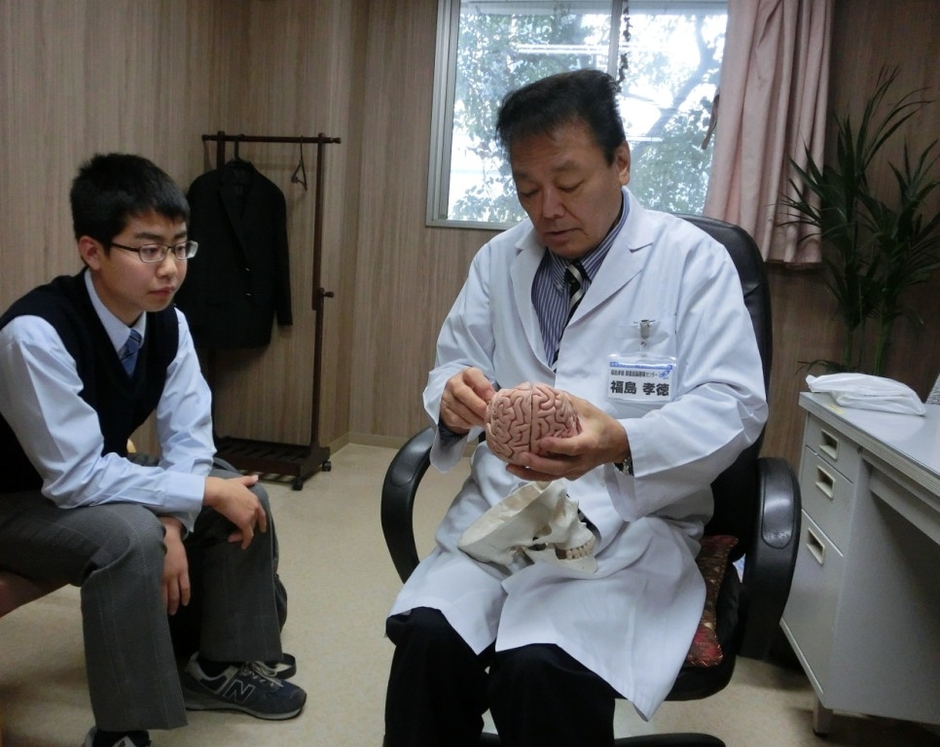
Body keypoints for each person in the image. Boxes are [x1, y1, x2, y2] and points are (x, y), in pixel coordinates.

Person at [383, 69, 768, 747]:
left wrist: (623, 440)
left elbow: (735, 403)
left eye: (568, 182)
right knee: (429, 641)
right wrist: (453, 398)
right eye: (527, 189)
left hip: (633, 522)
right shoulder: (499, 261)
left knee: (541, 668)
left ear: (620, 162)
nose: (547, 209)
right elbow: (454, 362)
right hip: (506, 517)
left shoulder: (692, 263)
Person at [0, 153, 306, 747]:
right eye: (148, 249)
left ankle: (216, 665)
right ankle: (121, 727)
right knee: (130, 537)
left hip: (83, 477)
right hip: (16, 497)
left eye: (180, 247)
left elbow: (191, 438)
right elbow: (74, 478)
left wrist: (174, 518)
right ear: (92, 251)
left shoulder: (168, 322)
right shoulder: (36, 334)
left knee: (238, 491)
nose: (169, 268)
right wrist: (175, 509)